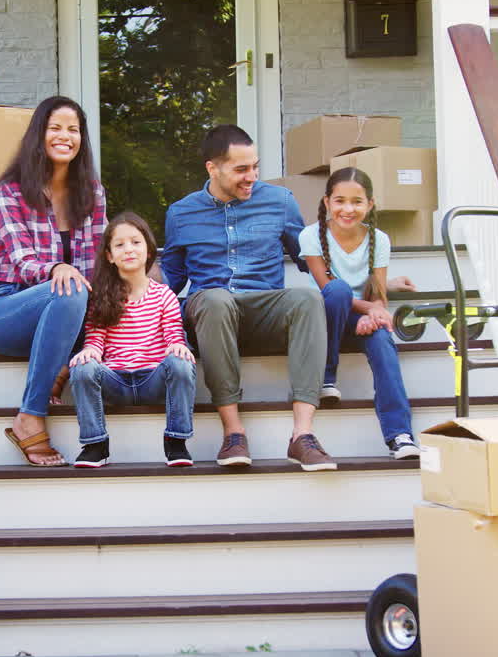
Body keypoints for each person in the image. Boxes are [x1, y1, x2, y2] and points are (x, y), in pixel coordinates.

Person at [159, 125, 338, 471]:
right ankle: (233, 433)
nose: (252, 176)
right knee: (214, 299)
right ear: (213, 168)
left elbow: (308, 258)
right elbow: (171, 280)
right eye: (241, 169)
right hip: (211, 313)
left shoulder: (279, 202)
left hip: (264, 307)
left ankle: (302, 435)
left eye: (255, 166)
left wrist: (364, 277)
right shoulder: (181, 213)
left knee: (307, 299)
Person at [0, 96, 106, 467]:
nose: (65, 136)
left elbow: (99, 262)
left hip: (71, 310)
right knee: (71, 289)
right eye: (55, 128)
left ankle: (63, 362)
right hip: (9, 309)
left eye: (73, 129)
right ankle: (30, 415)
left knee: (97, 296)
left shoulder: (93, 193)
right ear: (39, 135)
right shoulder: (12, 191)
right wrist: (56, 269)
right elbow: (21, 260)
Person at [301, 167, 419, 459]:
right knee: (339, 291)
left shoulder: (379, 239)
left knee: (382, 340)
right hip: (329, 316)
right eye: (340, 200)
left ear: (370, 205)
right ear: (327, 202)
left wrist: (374, 314)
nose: (348, 209)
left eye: (357, 201)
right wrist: (373, 309)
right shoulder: (310, 236)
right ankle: (326, 377)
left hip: (360, 318)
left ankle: (399, 434)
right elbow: (328, 287)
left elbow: (377, 293)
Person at [68, 212, 197, 468]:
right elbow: (95, 339)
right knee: (82, 367)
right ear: (109, 256)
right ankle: (95, 445)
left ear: (149, 250)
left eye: (136, 242)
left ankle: (176, 441)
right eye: (120, 245)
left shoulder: (164, 296)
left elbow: (173, 332)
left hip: (153, 379)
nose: (128, 249)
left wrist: (177, 345)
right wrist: (89, 351)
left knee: (181, 362)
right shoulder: (102, 298)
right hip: (115, 381)